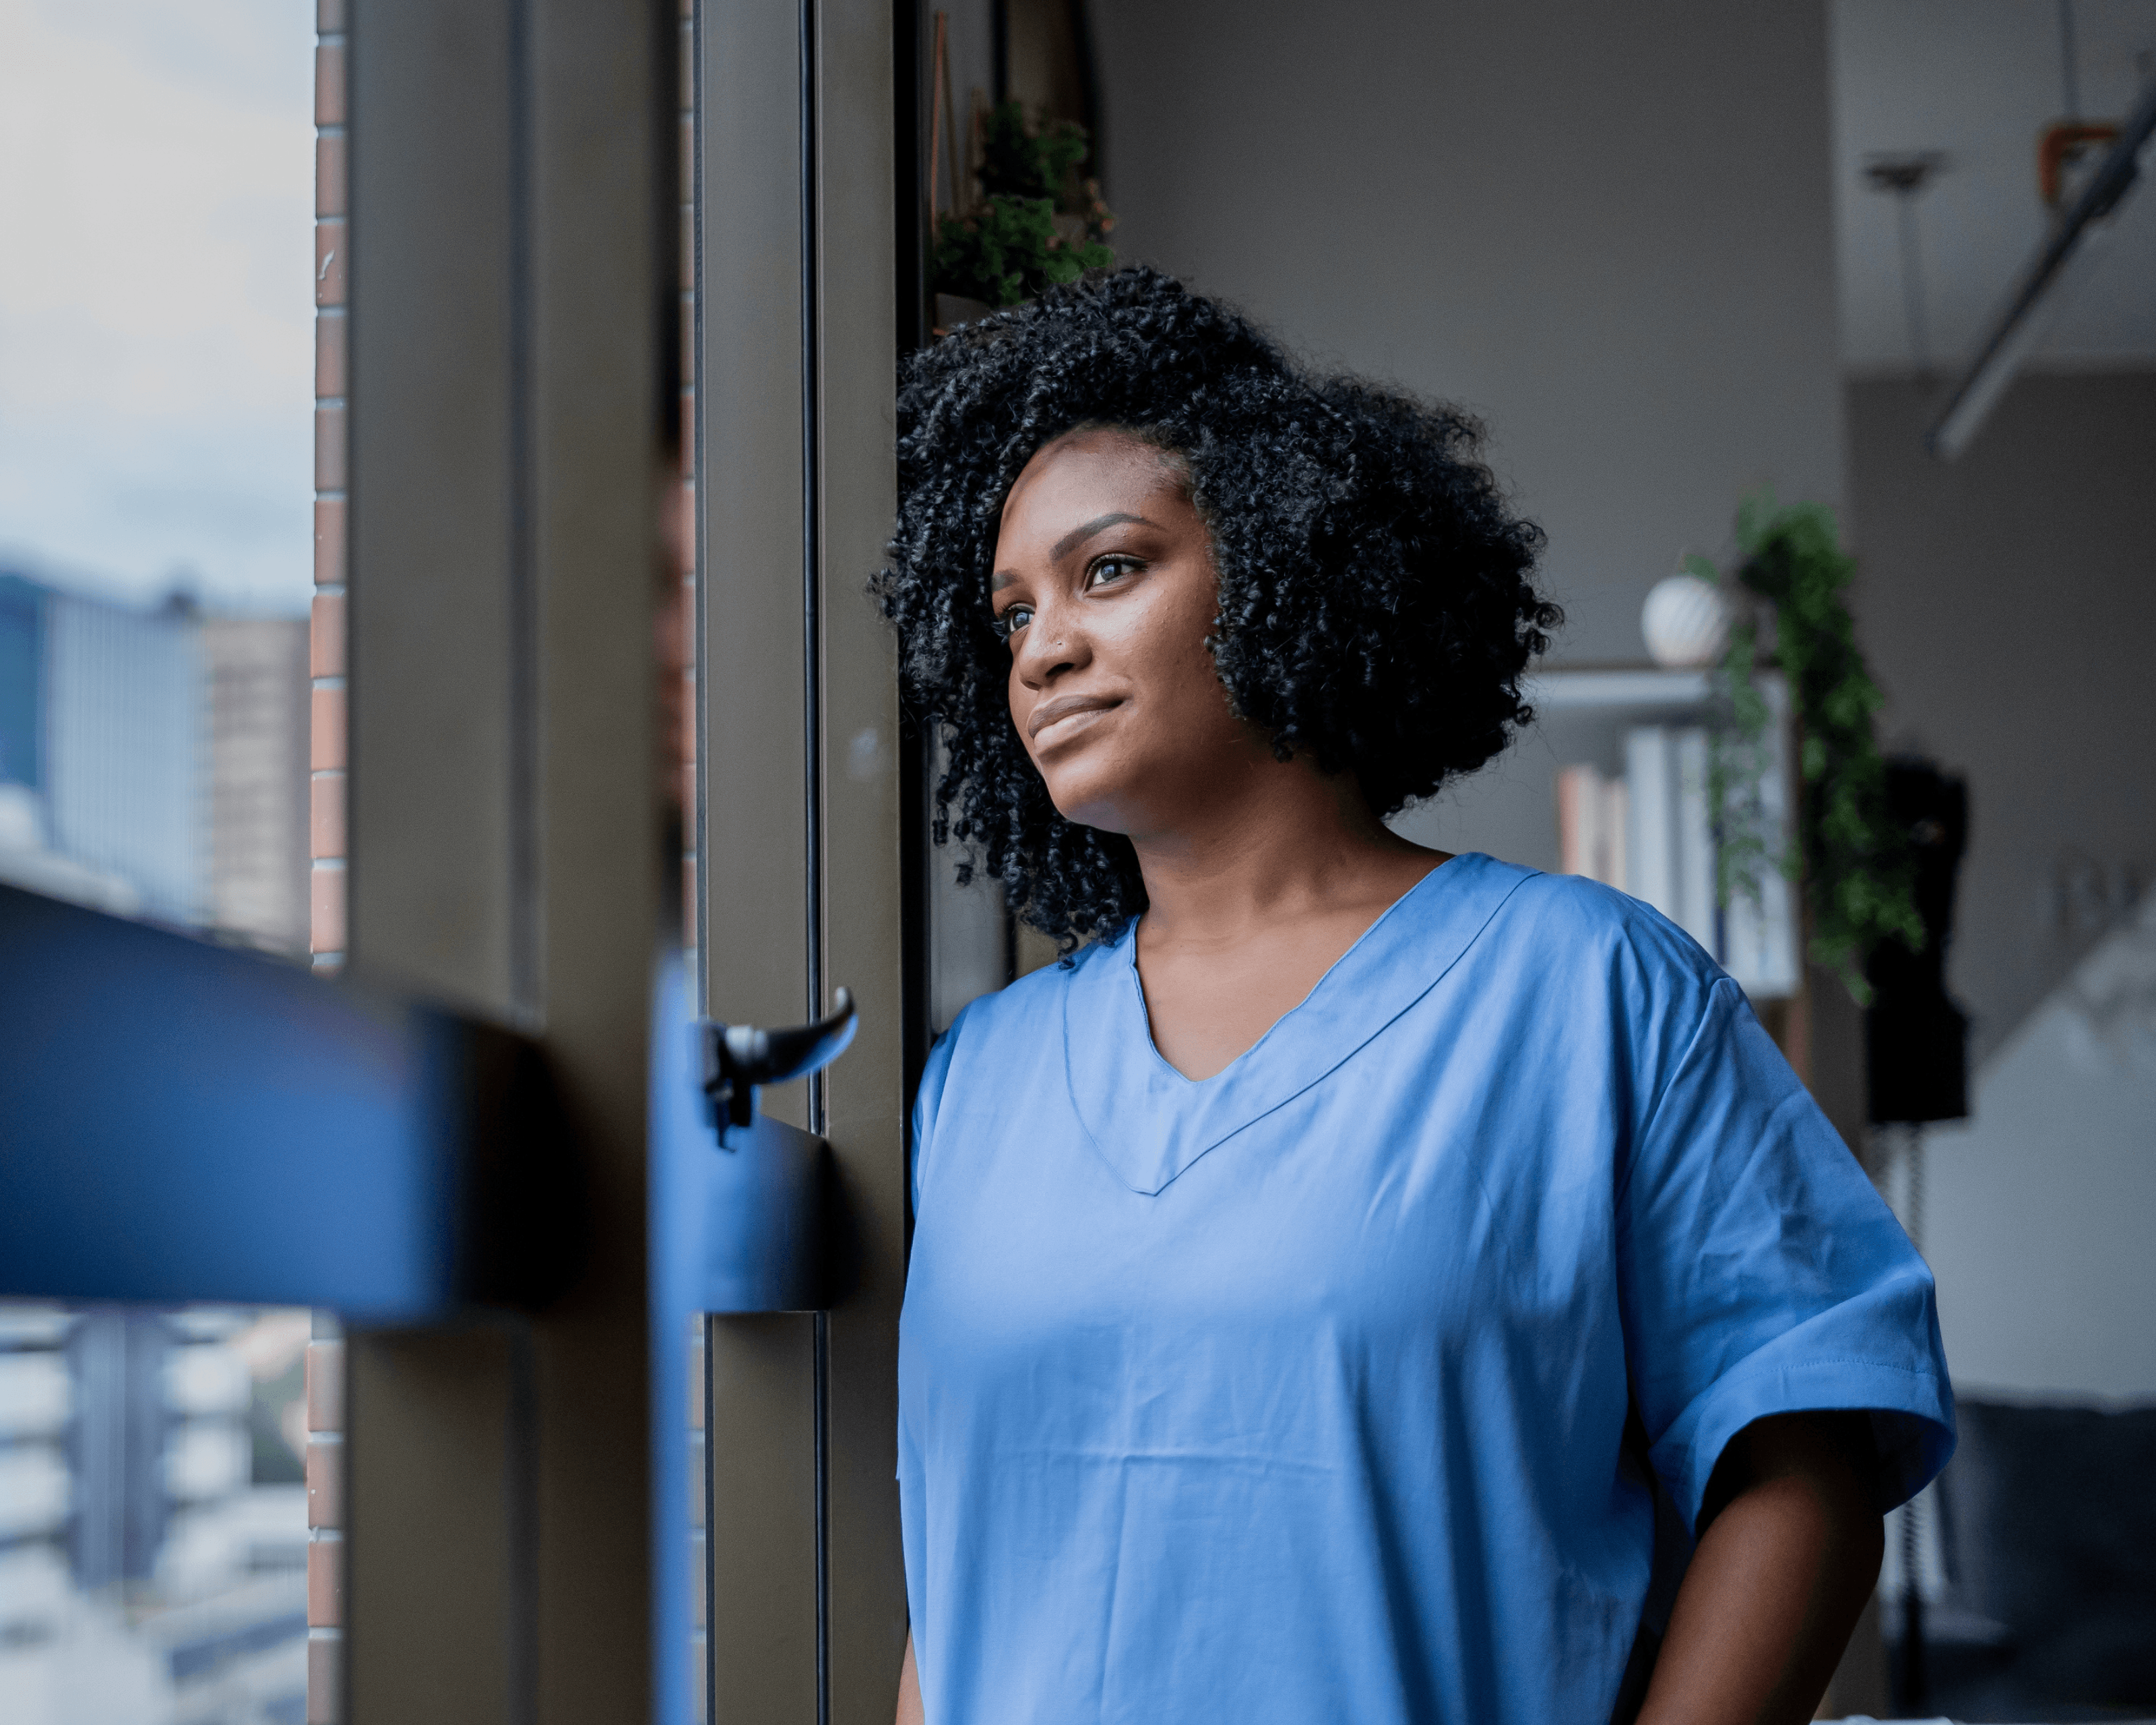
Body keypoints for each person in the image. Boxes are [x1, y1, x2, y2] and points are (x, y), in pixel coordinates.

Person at [875, 266, 1951, 1725]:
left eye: (1108, 569)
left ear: (1277, 561)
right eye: (1009, 613)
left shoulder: (1588, 995)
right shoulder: (978, 1081)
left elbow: (1802, 1456)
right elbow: (959, 1588)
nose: (1043, 649)